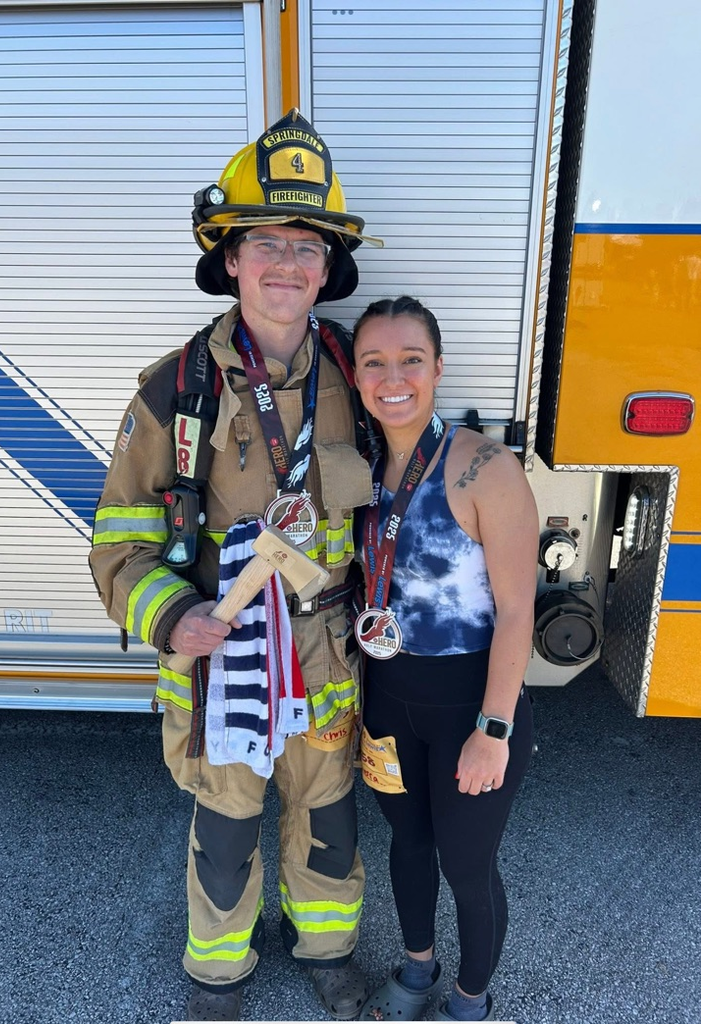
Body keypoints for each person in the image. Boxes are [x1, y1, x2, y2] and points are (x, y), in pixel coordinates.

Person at [89, 110, 381, 1022]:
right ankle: (218, 973)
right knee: (224, 826)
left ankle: (328, 952)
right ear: (230, 259)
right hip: (222, 653)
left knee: (329, 818)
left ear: (327, 269)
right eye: (266, 243)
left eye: (306, 247)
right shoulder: (173, 390)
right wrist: (173, 618)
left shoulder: (363, 375)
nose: (287, 264)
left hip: (328, 651)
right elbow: (119, 540)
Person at [351, 296, 538, 1023]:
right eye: (374, 362)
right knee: (408, 842)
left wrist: (494, 729)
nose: (393, 378)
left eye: (411, 360)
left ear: (437, 369)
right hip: (388, 696)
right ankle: (416, 968)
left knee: (466, 864)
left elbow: (518, 611)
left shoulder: (485, 467)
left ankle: (469, 1000)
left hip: (471, 703)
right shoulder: (357, 466)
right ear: (357, 375)